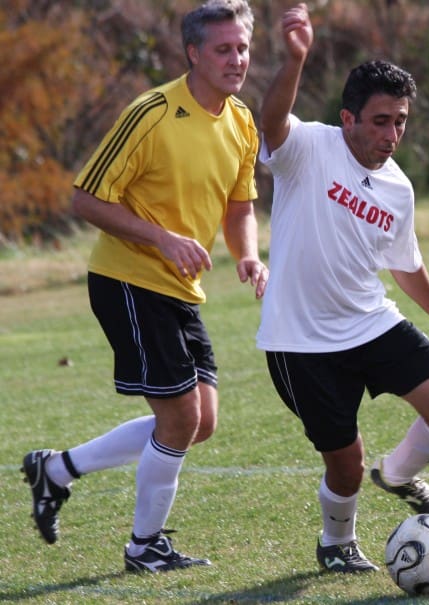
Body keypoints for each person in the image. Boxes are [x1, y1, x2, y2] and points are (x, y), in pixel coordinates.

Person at [21, 0, 266, 572]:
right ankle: (144, 547)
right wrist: (162, 238)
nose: (237, 59)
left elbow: (240, 205)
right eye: (224, 49)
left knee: (200, 422)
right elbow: (85, 198)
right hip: (127, 279)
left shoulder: (242, 121)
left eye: (244, 48)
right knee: (179, 420)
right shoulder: (152, 112)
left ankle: (55, 470)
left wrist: (250, 255)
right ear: (194, 53)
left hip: (181, 287)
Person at [257, 4, 429, 573]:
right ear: (348, 118)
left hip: (370, 323)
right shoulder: (307, 148)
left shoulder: (397, 188)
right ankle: (336, 544)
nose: (392, 134)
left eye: (400, 121)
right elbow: (270, 120)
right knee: (344, 464)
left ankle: (399, 474)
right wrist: (296, 58)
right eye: (380, 121)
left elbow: (404, 264)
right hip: (300, 341)